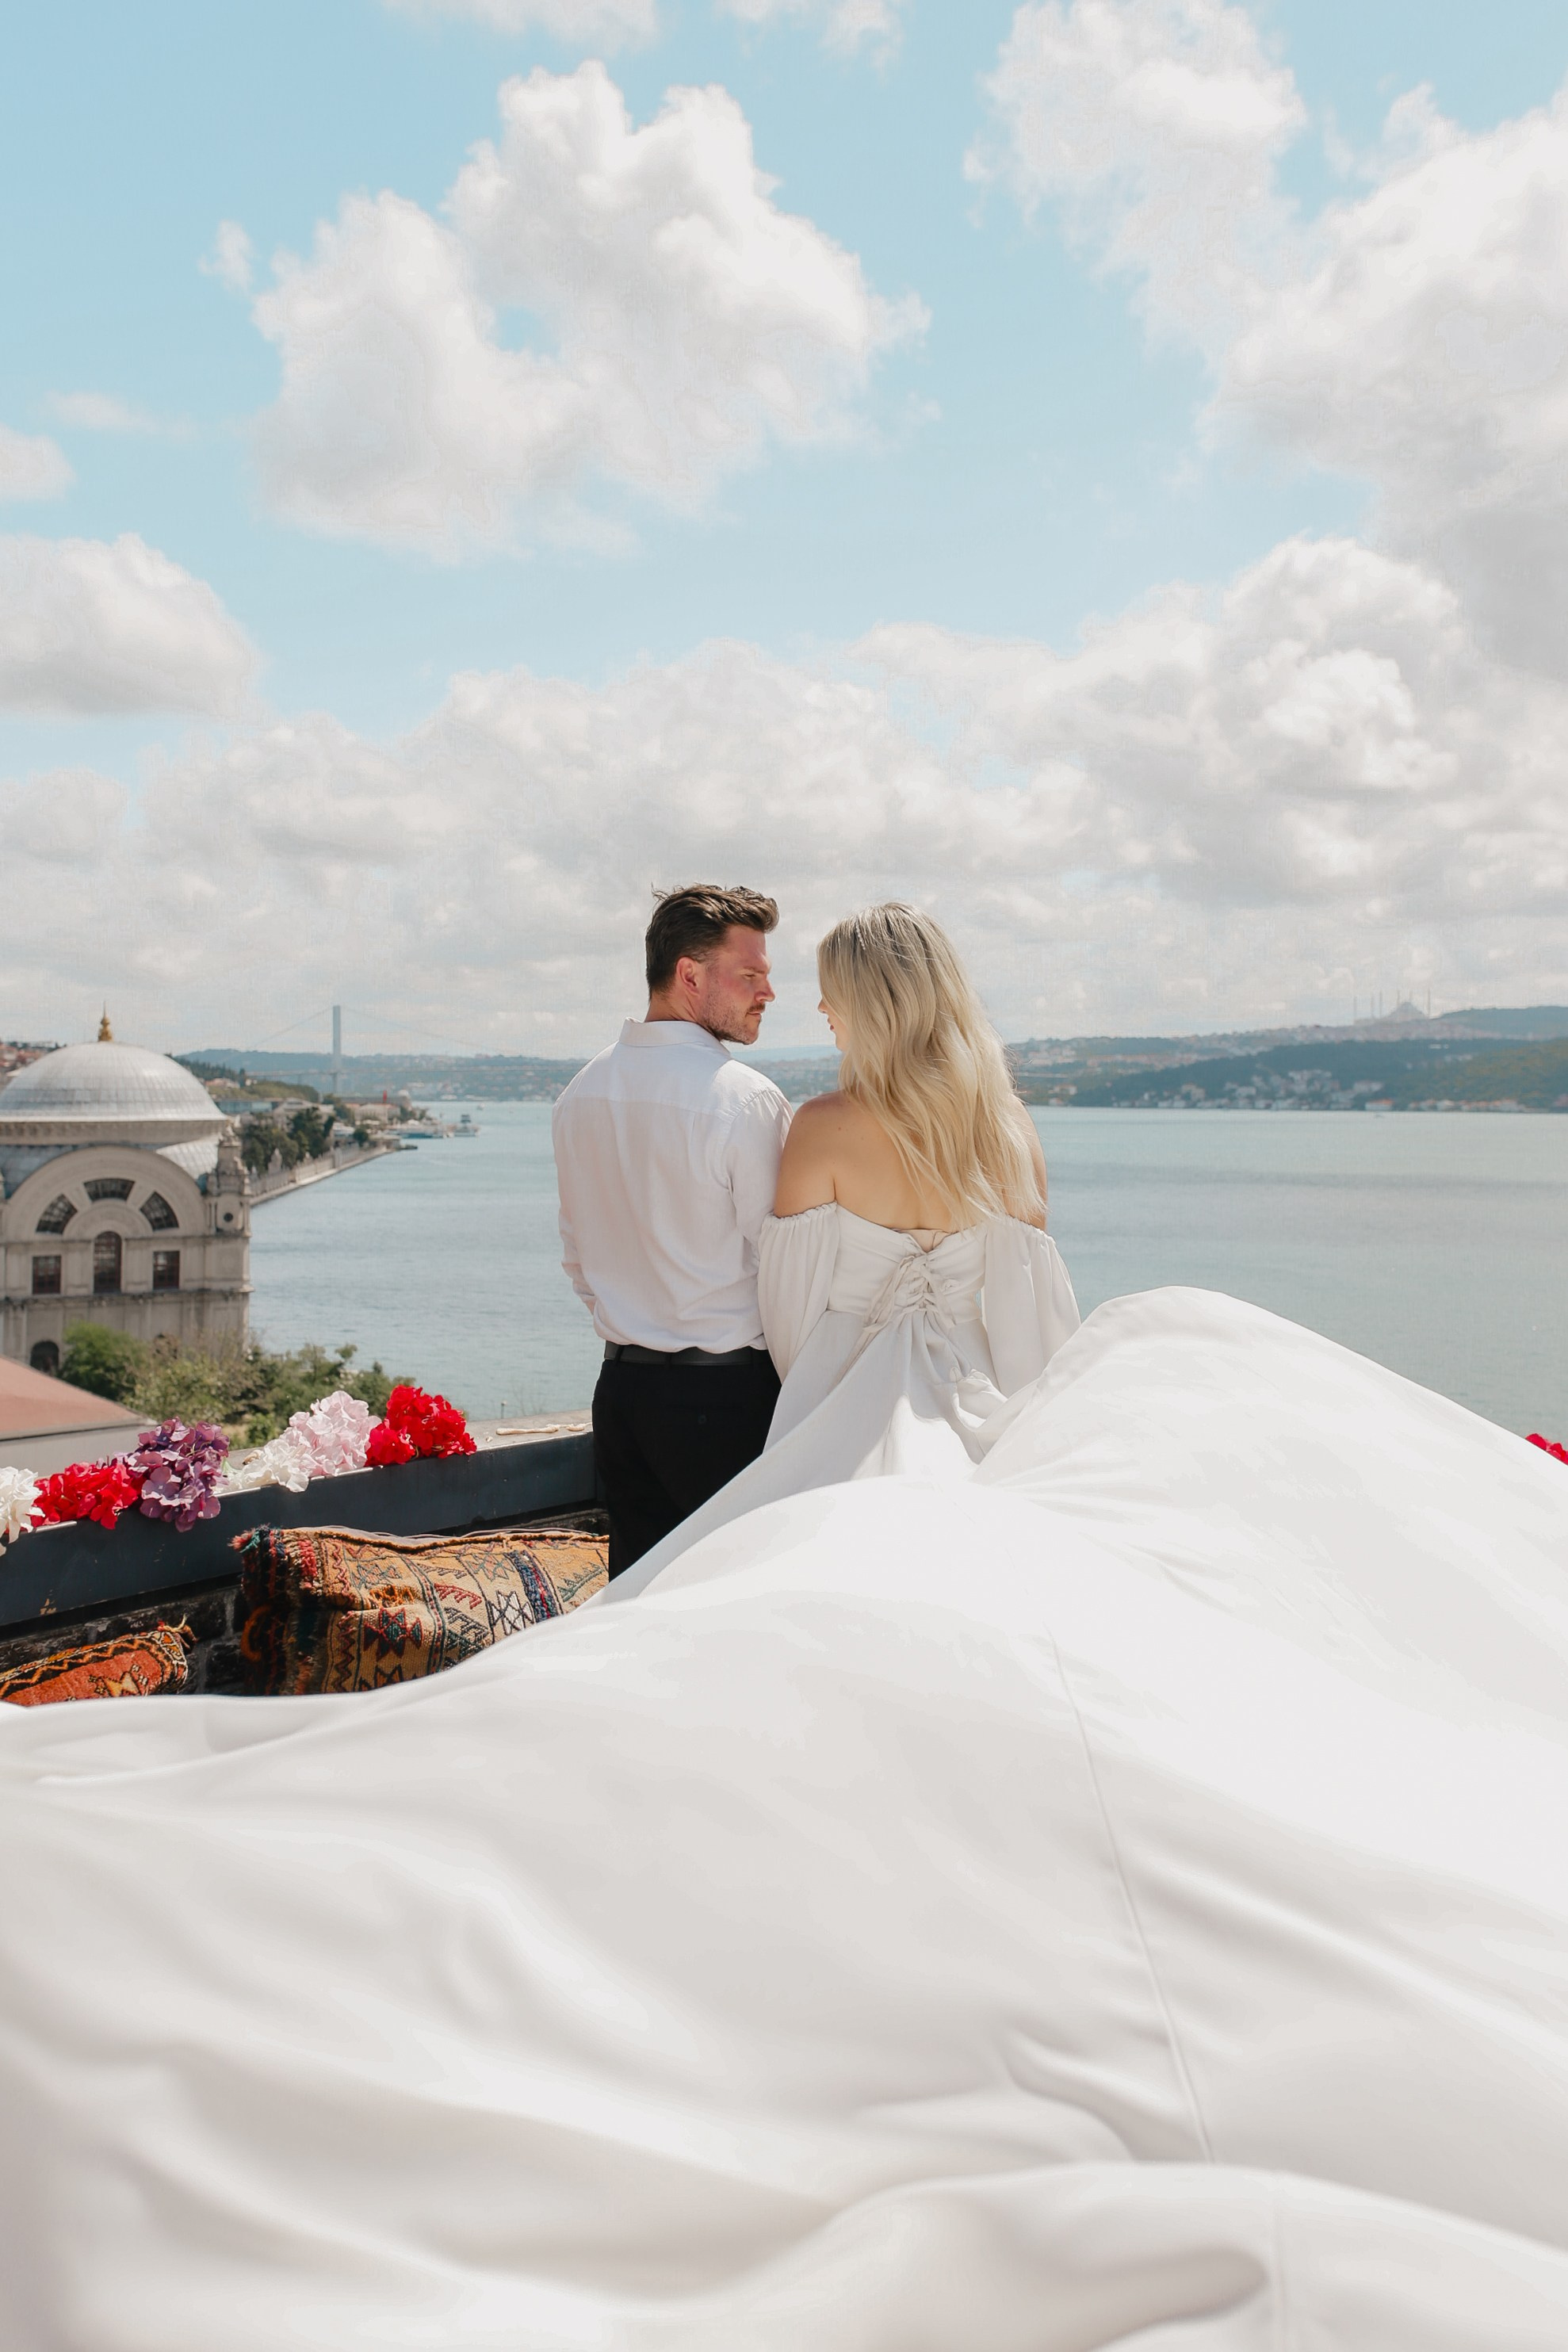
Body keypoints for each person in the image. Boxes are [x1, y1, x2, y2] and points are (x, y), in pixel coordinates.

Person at [605, 901, 1080, 1598]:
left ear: (872, 1001)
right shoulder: (1009, 1130)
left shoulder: (821, 1127)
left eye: (833, 989)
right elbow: (1031, 1318)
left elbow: (789, 1305)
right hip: (977, 1395)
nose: (822, 1004)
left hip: (837, 1399)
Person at [553, 883, 792, 1575]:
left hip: (622, 1397)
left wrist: (638, 1323)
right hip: (727, 1402)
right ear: (690, 974)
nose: (767, 993)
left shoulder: (579, 1093)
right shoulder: (745, 1099)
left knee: (640, 1609)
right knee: (736, 1601)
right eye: (750, 975)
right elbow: (781, 1264)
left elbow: (577, 1261)